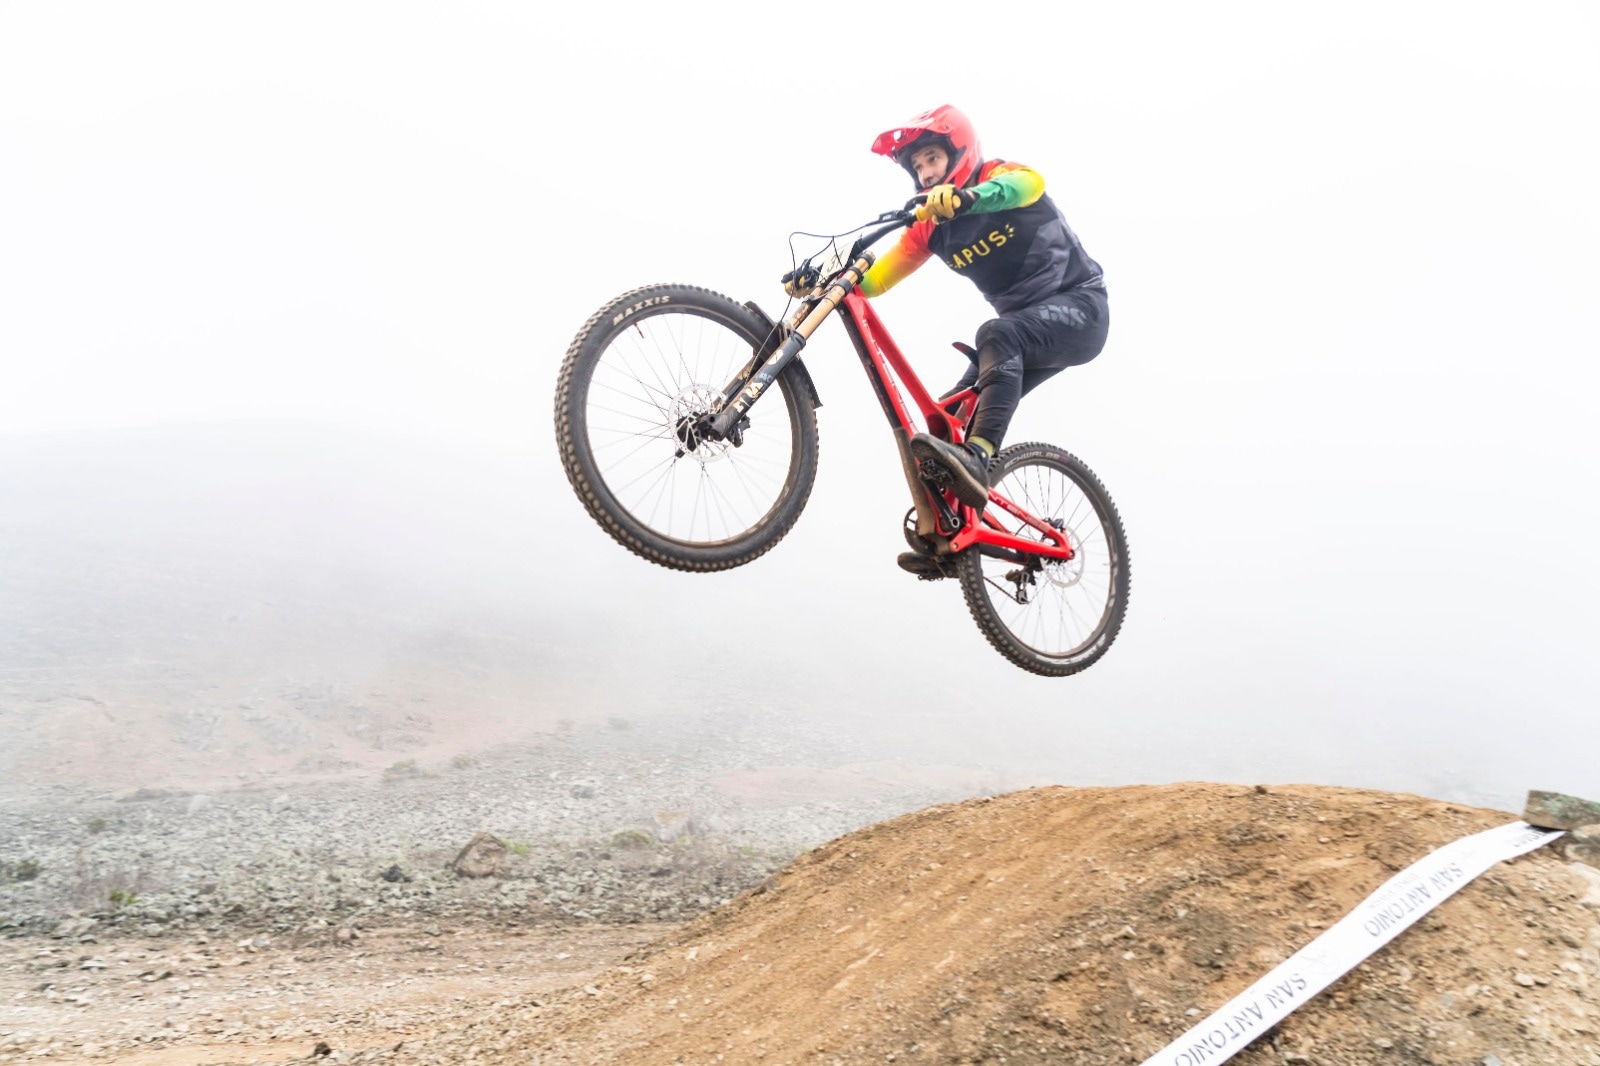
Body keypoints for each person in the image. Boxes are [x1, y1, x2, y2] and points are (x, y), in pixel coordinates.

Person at [859, 105, 1109, 572]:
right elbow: (878, 280)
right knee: (941, 422)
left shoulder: (1000, 177)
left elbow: (1029, 184)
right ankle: (952, 540)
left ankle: (979, 457)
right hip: (1022, 337)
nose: (927, 173)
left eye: (932, 159)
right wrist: (833, 280)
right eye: (918, 167)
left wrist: (971, 199)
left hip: (1080, 307)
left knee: (997, 333)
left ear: (958, 151)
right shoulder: (930, 226)